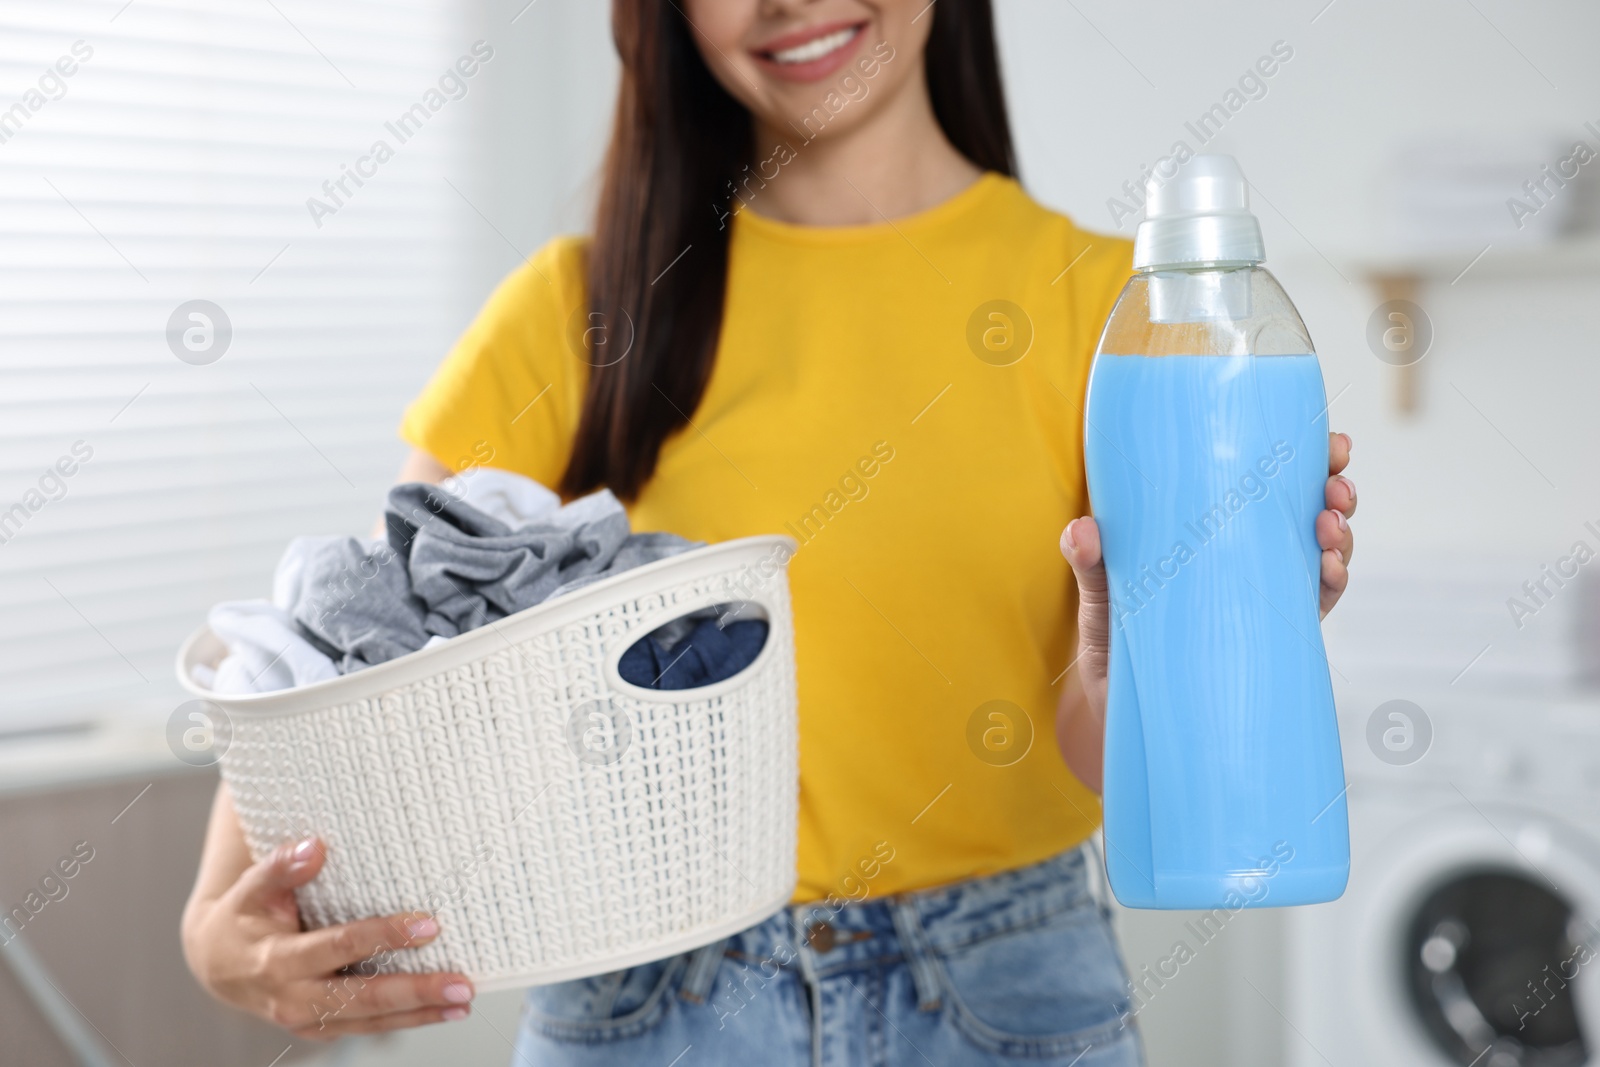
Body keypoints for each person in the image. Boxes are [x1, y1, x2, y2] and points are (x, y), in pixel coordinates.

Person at [181, 1, 1358, 1063]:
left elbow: (1101, 755)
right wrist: (214, 925)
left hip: (1003, 993)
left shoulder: (1113, 315)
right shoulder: (579, 309)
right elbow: (352, 635)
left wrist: (1213, 639)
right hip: (650, 1004)